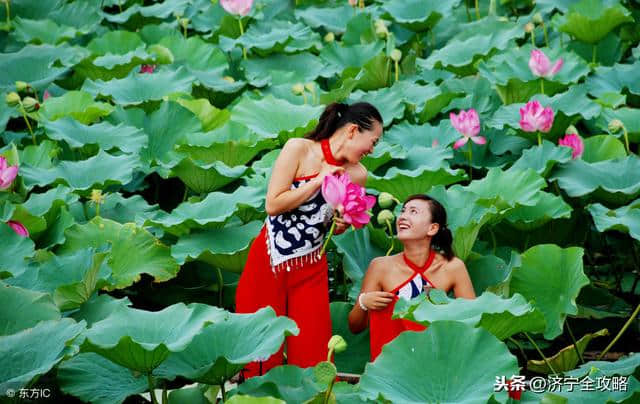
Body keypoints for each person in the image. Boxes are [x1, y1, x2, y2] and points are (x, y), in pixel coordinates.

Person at [236, 102, 383, 378]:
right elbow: (273, 204)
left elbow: (337, 224)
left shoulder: (358, 174)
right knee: (259, 354)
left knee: (313, 354)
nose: (372, 150)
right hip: (270, 261)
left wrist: (341, 225)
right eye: (372, 141)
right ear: (353, 130)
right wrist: (319, 181)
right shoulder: (298, 149)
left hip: (312, 266)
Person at [348, 194, 476, 360]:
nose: (402, 217)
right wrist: (363, 302)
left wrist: (440, 304)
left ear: (432, 228)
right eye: (403, 211)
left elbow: (472, 320)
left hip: (437, 363)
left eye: (413, 212)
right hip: (389, 367)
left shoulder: (453, 267)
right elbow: (355, 326)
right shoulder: (380, 266)